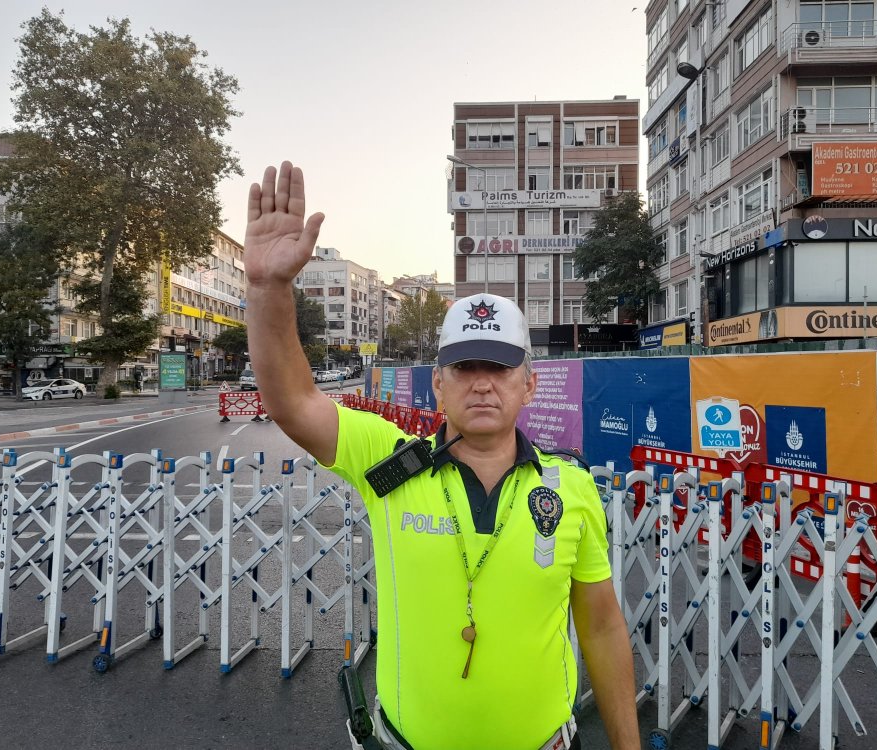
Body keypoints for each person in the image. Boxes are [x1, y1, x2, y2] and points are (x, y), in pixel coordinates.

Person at [244, 162, 640, 750]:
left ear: (528, 385)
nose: (483, 385)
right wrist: (268, 289)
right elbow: (292, 400)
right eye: (465, 368)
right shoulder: (389, 461)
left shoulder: (571, 487)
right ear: (438, 384)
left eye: (500, 368)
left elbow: (603, 627)